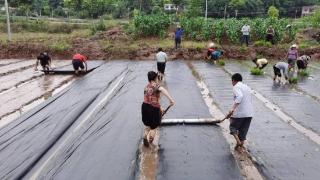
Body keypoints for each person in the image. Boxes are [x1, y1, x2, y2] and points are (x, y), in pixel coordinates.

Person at [141, 71, 174, 147]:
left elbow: (152, 98)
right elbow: (163, 90)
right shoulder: (156, 86)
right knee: (154, 127)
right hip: (153, 109)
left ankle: (146, 135)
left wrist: (160, 107)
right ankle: (150, 143)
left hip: (144, 107)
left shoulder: (146, 87)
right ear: (155, 78)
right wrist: (171, 100)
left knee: (148, 125)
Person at [227, 73, 253, 151]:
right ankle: (241, 147)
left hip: (241, 113)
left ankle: (238, 142)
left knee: (232, 127)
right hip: (249, 113)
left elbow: (240, 96)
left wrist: (232, 109)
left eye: (231, 81)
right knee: (243, 130)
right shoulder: (247, 87)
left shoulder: (236, 86)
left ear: (233, 80)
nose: (232, 83)